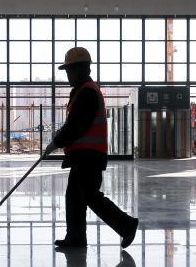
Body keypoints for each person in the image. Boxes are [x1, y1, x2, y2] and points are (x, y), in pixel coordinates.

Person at [44, 47, 139, 249]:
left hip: (89, 157)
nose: (67, 74)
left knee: (89, 196)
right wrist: (58, 140)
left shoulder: (87, 92)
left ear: (81, 69)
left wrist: (56, 142)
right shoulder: (81, 91)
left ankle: (127, 225)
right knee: (75, 197)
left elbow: (77, 125)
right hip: (83, 156)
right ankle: (76, 237)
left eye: (69, 70)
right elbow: (73, 124)